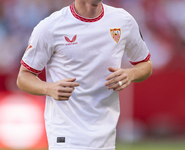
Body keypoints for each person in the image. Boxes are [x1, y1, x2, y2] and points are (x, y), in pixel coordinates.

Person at [17, 0, 152, 149]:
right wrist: (49, 88)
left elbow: (145, 65)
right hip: (65, 133)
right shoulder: (50, 26)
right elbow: (23, 77)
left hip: (105, 135)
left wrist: (130, 74)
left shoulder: (123, 20)